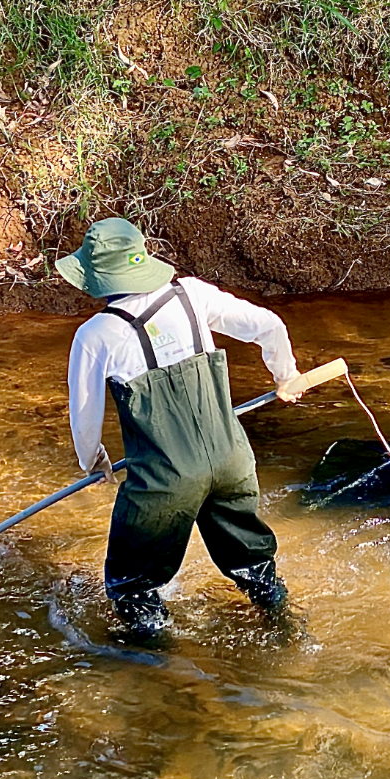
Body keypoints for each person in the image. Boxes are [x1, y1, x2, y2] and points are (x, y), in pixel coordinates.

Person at [56, 218, 308, 636]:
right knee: (251, 563)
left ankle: (164, 679)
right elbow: (269, 326)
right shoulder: (192, 293)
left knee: (133, 586)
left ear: (98, 277)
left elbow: (85, 415)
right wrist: (286, 376)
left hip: (164, 478)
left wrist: (93, 461)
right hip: (232, 458)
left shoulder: (95, 334)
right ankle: (286, 628)